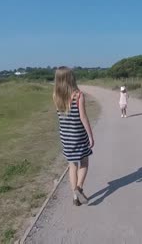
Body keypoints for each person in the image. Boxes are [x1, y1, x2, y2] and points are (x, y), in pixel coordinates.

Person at [53, 66, 94, 206]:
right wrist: (90, 135)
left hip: (65, 136)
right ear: (71, 78)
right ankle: (79, 187)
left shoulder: (56, 96)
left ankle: (75, 197)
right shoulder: (78, 95)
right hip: (79, 135)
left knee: (72, 165)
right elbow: (83, 117)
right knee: (84, 162)